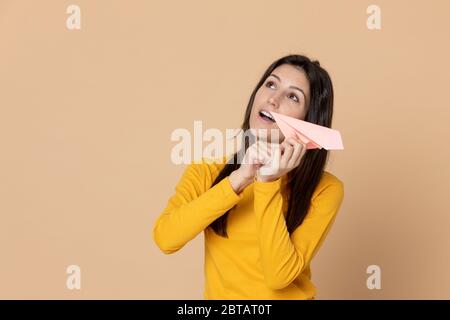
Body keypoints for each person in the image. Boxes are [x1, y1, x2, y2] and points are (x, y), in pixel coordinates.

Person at [153, 54, 345, 299]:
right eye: (271, 84)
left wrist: (268, 181)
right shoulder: (207, 171)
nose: (273, 99)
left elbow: (279, 276)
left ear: (308, 121)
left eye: (293, 96)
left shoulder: (325, 189)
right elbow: (166, 238)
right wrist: (238, 179)